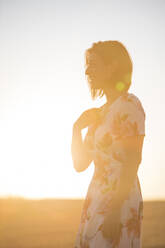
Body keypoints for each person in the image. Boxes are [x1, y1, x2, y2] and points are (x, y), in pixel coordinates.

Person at [71, 40, 145, 248]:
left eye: (93, 64)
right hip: (95, 199)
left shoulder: (129, 104)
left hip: (118, 202)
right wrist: (76, 129)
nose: (87, 71)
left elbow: (133, 160)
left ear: (112, 66)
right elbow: (80, 165)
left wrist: (114, 211)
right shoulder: (98, 114)